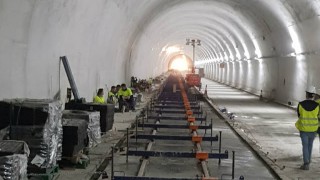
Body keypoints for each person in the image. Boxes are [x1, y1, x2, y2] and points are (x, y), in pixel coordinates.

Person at [295, 86, 319, 170]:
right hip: (313, 129)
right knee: (310, 145)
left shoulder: (300, 104)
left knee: (304, 146)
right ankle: (308, 161)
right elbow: (318, 116)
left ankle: (306, 164)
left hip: (303, 128)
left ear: (306, 94)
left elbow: (299, 115)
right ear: (313, 95)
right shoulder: (317, 105)